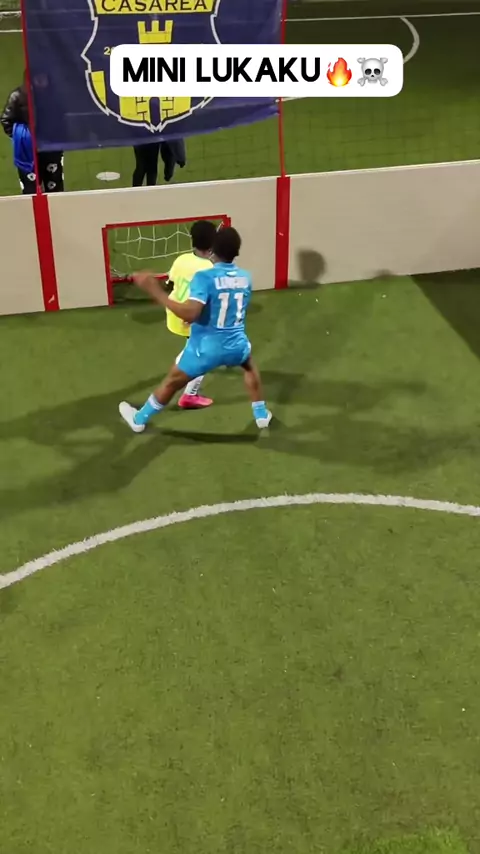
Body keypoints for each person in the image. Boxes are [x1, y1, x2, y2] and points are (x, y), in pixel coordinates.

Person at [119, 226, 272, 433]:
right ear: (236, 251)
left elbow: (190, 313)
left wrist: (155, 291)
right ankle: (261, 414)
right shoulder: (246, 277)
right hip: (236, 345)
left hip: (205, 349)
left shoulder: (204, 277)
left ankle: (139, 419)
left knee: (172, 382)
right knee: (249, 366)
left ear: (212, 251)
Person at [165, 219, 217, 409]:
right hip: (190, 318)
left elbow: (170, 284)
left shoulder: (181, 259)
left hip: (173, 314)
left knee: (198, 348)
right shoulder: (209, 269)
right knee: (204, 354)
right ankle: (189, 395)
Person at [0, 75, 64, 193]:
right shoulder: (17, 96)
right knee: (30, 189)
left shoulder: (53, 95)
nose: (41, 82)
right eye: (38, 79)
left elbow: (62, 117)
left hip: (50, 150)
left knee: (54, 185)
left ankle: (56, 204)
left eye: (44, 79)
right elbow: (6, 120)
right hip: (27, 151)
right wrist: (20, 136)